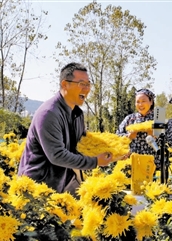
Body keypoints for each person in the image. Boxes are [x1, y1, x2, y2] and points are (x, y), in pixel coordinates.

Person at [18, 62, 114, 197]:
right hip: (37, 189)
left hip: (63, 182)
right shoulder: (49, 114)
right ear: (64, 84)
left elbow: (82, 146)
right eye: (82, 84)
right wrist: (95, 162)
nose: (86, 89)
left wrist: (114, 150)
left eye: (88, 84)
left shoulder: (77, 114)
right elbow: (57, 155)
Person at [116, 89, 161, 167]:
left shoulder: (158, 117)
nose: (140, 104)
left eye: (143, 101)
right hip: (133, 162)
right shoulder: (130, 118)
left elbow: (167, 141)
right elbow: (116, 137)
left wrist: (154, 136)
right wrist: (128, 136)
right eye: (138, 102)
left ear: (151, 102)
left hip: (154, 162)